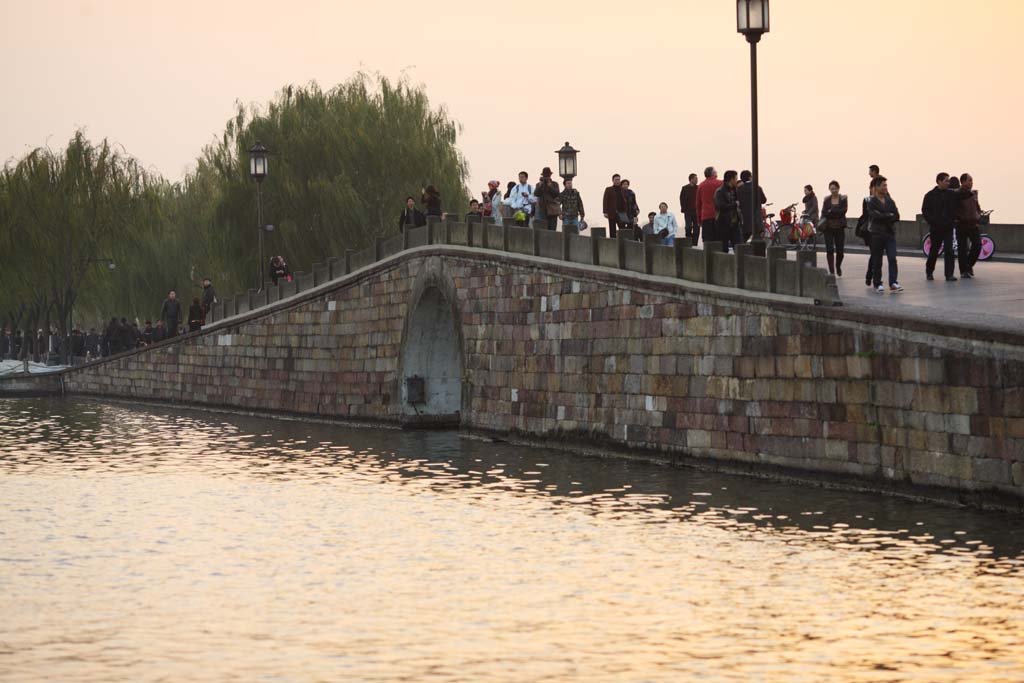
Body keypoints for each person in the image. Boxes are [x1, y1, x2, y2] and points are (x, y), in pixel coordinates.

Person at [921, 172, 959, 282]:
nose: (948, 183)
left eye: (949, 181)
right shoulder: (929, 195)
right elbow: (925, 210)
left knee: (949, 250)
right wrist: (932, 221)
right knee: (934, 250)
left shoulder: (951, 194)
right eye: (946, 181)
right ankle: (929, 271)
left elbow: (958, 202)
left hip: (948, 227)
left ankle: (949, 274)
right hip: (936, 227)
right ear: (939, 181)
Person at [867, 176, 902, 293]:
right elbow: (874, 215)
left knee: (892, 258)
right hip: (877, 234)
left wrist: (885, 215)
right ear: (877, 187)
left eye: (886, 185)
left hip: (889, 233)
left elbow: (897, 215)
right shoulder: (871, 201)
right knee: (877, 260)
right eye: (883, 185)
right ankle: (877, 283)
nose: (886, 187)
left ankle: (893, 282)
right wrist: (888, 215)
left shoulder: (890, 200)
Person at [956, 173, 983, 279]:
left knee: (977, 245)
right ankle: (963, 271)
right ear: (962, 182)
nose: (971, 182)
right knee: (962, 249)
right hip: (961, 224)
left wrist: (978, 215)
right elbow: (955, 209)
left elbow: (977, 207)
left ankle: (968, 265)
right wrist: (960, 218)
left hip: (973, 224)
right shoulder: (958, 194)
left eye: (972, 180)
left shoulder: (973, 194)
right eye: (969, 180)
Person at [820, 181, 849, 276]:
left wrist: (831, 211)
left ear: (838, 188)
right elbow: (824, 212)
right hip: (828, 227)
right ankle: (832, 271)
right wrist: (833, 212)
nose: (833, 190)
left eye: (835, 188)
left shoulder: (843, 199)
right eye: (831, 189)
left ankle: (838, 266)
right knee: (829, 249)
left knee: (840, 251)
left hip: (839, 227)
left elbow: (843, 211)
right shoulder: (827, 200)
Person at [713, 170, 743, 253]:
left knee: (738, 246)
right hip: (723, 223)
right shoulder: (720, 191)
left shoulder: (734, 190)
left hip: (735, 222)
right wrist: (735, 204)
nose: (737, 180)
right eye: (736, 178)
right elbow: (721, 207)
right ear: (731, 179)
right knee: (723, 248)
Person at [695, 166, 723, 247]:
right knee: (719, 239)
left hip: (706, 216)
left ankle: (708, 258)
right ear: (713, 173)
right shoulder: (721, 183)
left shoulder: (701, 185)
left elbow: (698, 204)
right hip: (719, 215)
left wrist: (699, 220)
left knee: (707, 240)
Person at [737, 170, 767, 242]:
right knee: (757, 241)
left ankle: (743, 252)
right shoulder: (757, 187)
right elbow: (764, 200)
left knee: (743, 241)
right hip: (756, 219)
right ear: (750, 177)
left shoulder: (739, 189)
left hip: (745, 220)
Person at [602, 174, 626, 238]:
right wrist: (605, 211)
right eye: (616, 180)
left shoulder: (623, 190)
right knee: (612, 230)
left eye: (619, 179)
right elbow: (605, 200)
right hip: (612, 212)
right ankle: (613, 244)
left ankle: (622, 244)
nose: (618, 181)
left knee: (623, 230)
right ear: (613, 180)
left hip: (622, 213)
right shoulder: (608, 189)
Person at [679, 173, 699, 245]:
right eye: (695, 178)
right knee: (688, 227)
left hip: (696, 211)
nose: (697, 180)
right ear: (691, 179)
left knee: (697, 228)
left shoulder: (698, 188)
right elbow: (681, 199)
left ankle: (695, 243)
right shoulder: (685, 188)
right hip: (688, 211)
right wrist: (683, 208)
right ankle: (688, 240)